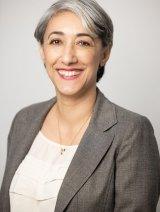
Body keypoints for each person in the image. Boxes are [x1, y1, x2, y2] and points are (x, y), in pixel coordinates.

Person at [0, 0, 160, 211]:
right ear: (42, 50)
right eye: (56, 41)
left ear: (104, 53)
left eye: (83, 43)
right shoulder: (24, 119)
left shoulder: (132, 131)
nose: (67, 58)